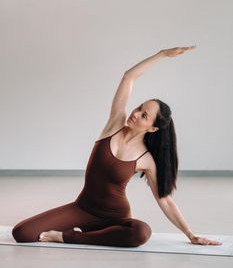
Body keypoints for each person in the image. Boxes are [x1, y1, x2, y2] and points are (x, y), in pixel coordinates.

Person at [11, 46, 222, 247]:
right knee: (22, 233)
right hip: (82, 208)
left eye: (144, 115)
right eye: (139, 107)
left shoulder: (146, 159)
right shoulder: (114, 125)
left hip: (115, 218)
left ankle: (69, 238)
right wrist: (162, 55)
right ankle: (85, 234)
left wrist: (191, 235)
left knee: (141, 232)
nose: (136, 113)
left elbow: (165, 201)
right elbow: (129, 76)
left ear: (152, 129)